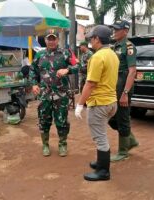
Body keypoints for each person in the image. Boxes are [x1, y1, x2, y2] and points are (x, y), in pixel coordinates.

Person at [75, 25, 119, 181]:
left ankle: (103, 171)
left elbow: (90, 83)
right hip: (111, 102)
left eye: (91, 38)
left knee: (100, 137)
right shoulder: (112, 54)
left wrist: (80, 104)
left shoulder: (97, 57)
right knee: (101, 133)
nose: (90, 41)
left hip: (100, 103)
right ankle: (101, 162)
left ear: (97, 39)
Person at [29, 29, 78, 157]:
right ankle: (45, 145)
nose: (51, 41)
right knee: (44, 119)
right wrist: (34, 84)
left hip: (61, 94)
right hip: (44, 94)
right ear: (45, 40)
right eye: (48, 39)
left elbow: (80, 66)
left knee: (61, 120)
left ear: (57, 40)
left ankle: (62, 144)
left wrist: (67, 70)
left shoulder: (66, 53)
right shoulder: (39, 55)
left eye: (53, 38)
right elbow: (32, 70)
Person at [109, 20, 139, 162]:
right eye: (114, 29)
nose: (114, 31)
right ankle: (131, 140)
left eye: (117, 29)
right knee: (111, 117)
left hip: (123, 85)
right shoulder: (114, 46)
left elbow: (132, 71)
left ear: (125, 31)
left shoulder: (129, 46)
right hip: (115, 85)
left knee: (123, 118)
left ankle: (123, 152)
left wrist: (125, 93)